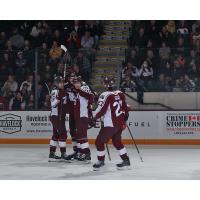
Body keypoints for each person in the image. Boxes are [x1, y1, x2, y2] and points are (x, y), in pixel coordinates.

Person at [92, 77, 130, 170]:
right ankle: (126, 160)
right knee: (117, 141)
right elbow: (126, 107)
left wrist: (93, 118)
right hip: (120, 124)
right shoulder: (120, 93)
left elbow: (101, 110)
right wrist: (125, 118)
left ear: (105, 84)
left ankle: (101, 161)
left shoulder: (105, 95)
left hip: (110, 124)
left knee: (99, 142)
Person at [69, 76, 94, 162]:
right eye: (75, 83)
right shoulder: (77, 91)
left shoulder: (83, 88)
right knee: (79, 136)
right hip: (79, 117)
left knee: (83, 136)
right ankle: (82, 152)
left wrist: (90, 115)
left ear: (81, 82)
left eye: (78, 83)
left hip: (83, 116)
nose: (76, 84)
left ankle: (87, 154)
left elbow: (90, 96)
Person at [48, 76, 69, 162]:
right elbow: (53, 104)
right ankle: (63, 154)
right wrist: (59, 98)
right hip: (56, 116)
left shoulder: (61, 91)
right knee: (63, 134)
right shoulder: (55, 91)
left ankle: (51, 154)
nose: (62, 84)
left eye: (62, 82)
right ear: (56, 83)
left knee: (56, 134)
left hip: (59, 116)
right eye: (60, 82)